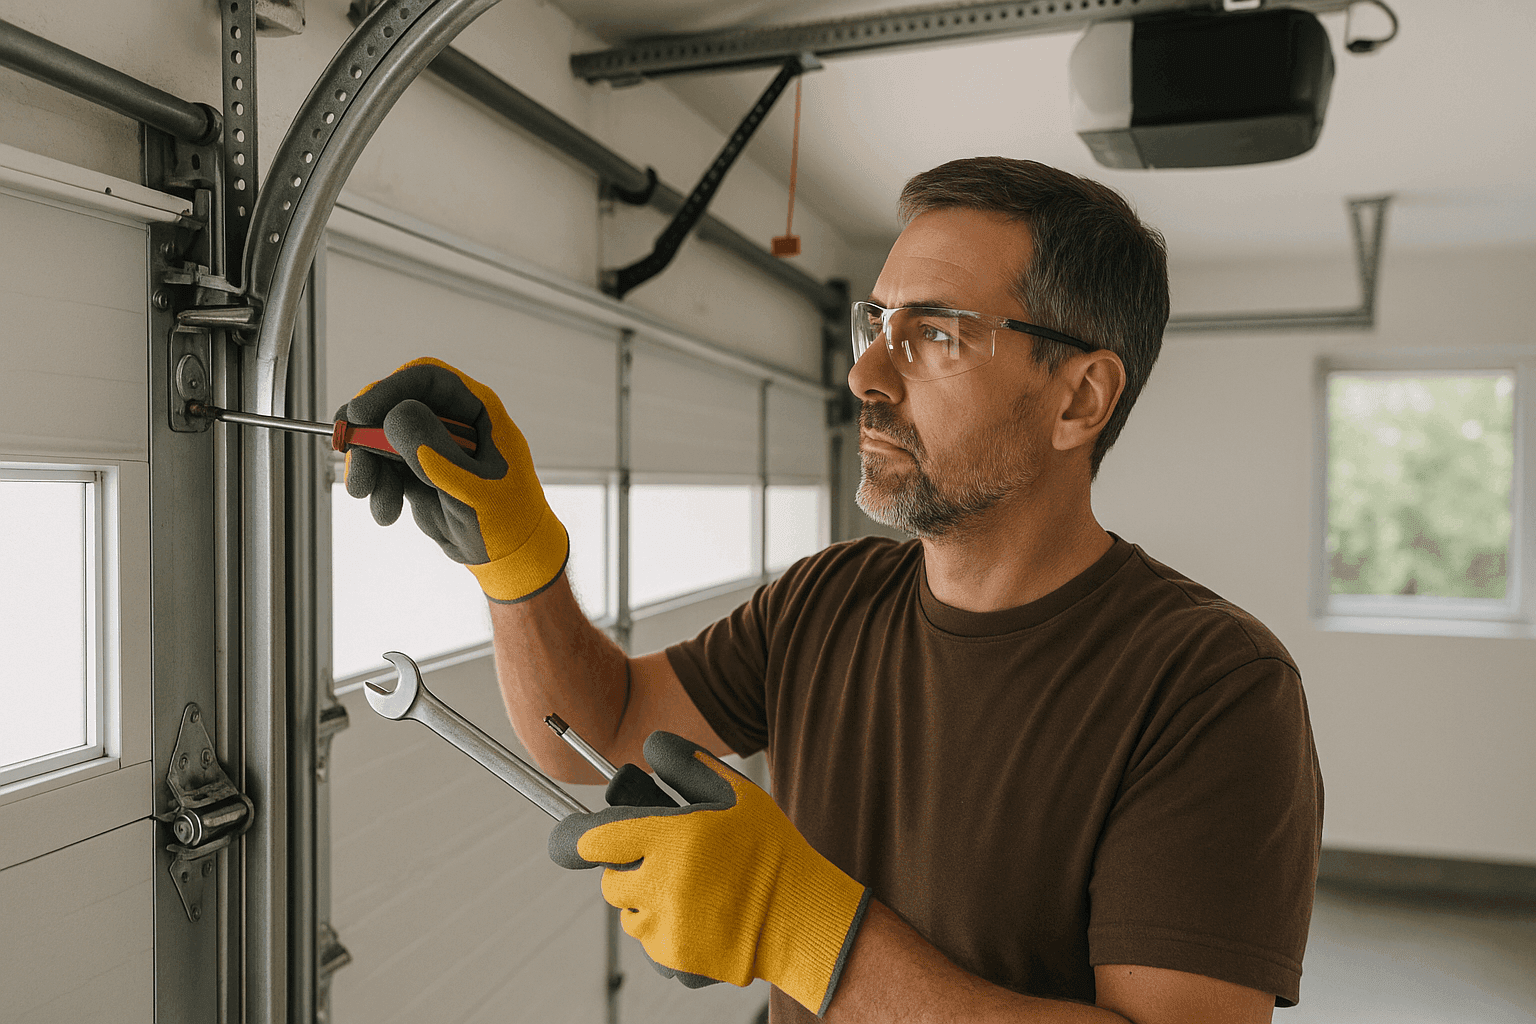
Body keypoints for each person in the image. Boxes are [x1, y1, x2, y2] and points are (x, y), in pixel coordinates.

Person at [339, 157, 1322, 1024]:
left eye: (935, 333)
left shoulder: (1212, 685)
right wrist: (517, 561)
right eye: (877, 322)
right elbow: (595, 728)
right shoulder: (831, 598)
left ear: (1079, 399)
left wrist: (805, 929)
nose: (864, 374)